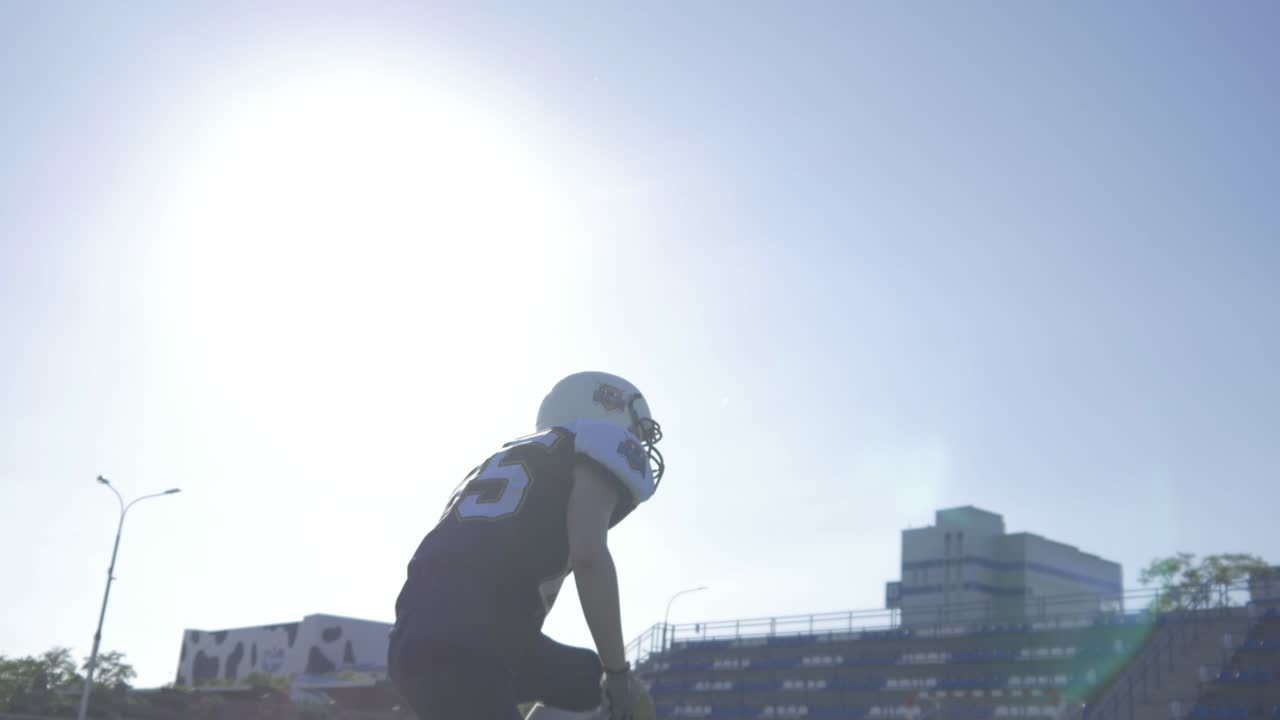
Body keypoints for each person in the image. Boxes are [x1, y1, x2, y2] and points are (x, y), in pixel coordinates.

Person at [389, 371, 664, 720]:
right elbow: (588, 555)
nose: (638, 443)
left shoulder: (500, 461)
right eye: (636, 431)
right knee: (614, 688)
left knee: (588, 680)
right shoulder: (596, 442)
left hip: (424, 635)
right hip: (471, 645)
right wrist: (618, 673)